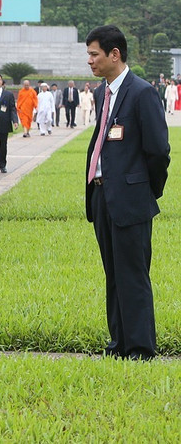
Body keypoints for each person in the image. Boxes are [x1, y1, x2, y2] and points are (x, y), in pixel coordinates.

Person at [85, 25, 170, 360]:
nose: (89, 60)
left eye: (94, 54)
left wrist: (146, 189)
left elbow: (158, 151)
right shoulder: (102, 93)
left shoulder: (141, 92)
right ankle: (118, 342)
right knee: (113, 274)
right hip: (102, 195)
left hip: (131, 198)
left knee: (133, 275)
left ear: (114, 54)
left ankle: (139, 348)